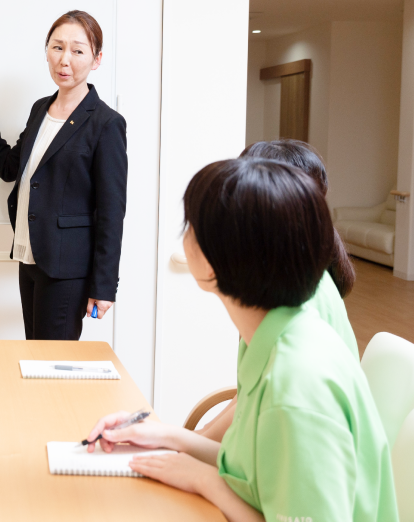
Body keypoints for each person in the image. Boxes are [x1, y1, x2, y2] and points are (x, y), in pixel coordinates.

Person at [86, 159, 397, 521]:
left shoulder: (296, 384)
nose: (184, 239)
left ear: (219, 260)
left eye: (191, 227)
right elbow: (251, 469)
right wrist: (165, 437)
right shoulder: (276, 336)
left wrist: (204, 480)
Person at [0, 10, 127, 340]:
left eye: (77, 50)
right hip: (30, 257)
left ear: (96, 59)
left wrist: (104, 286)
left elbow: (111, 212)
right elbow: (10, 168)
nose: (64, 60)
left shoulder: (106, 123)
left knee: (51, 360)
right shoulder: (41, 108)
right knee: (34, 353)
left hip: (66, 268)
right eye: (57, 47)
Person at [197, 139, 357, 442]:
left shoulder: (302, 297)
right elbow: (248, 393)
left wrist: (192, 442)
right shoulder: (280, 282)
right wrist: (192, 438)